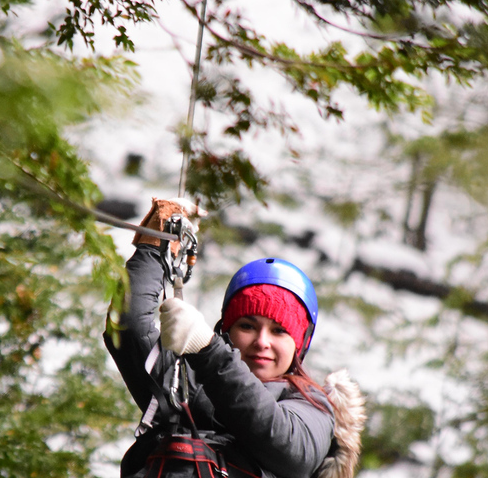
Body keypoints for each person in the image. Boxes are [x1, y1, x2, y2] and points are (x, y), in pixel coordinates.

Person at [104, 198, 365, 478]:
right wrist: (155, 245)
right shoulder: (187, 382)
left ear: (299, 345)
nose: (262, 342)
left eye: (279, 331)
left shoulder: (312, 403)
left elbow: (290, 451)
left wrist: (208, 351)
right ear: (225, 330)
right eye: (248, 326)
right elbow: (128, 328)